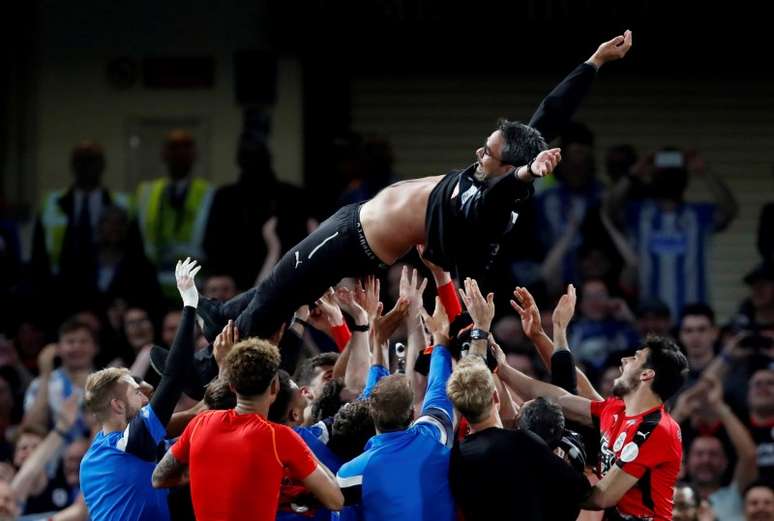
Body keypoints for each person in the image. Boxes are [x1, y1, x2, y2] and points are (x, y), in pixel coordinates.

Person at [193, 31, 633, 353]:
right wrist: (593, 63)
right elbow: (550, 113)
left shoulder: (485, 203)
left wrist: (523, 178)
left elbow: (496, 203)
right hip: (361, 230)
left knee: (279, 292)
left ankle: (213, 359)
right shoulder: (500, 170)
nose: (480, 150)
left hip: (357, 236)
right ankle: (223, 315)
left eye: (490, 153)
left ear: (508, 169)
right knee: (283, 288)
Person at [506, 282, 689, 520]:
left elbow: (602, 497)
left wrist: (545, 480)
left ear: (647, 374)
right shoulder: (616, 409)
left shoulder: (657, 430)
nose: (623, 360)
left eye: (634, 358)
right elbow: (563, 394)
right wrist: (503, 364)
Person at [151, 338, 343, 521]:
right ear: (274, 387)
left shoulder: (200, 423)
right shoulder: (281, 437)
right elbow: (335, 500)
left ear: (232, 386)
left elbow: (159, 478)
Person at [79, 258, 199, 521]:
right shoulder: (127, 444)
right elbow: (173, 377)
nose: (145, 395)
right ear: (117, 406)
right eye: (136, 392)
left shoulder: (107, 452)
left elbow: (197, 420)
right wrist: (189, 304)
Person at [335, 294, 455, 521]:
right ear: (412, 414)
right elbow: (439, 388)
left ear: (371, 414)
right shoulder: (433, 435)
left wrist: (379, 343)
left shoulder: (350, 474)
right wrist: (440, 339)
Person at [448, 356, 591, 520]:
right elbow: (580, 490)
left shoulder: (455, 457)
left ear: (458, 408)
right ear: (495, 397)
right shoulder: (523, 443)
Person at [605, 148, 738, 318]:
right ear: (652, 177)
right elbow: (609, 209)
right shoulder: (639, 214)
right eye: (663, 173)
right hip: (650, 317)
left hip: (692, 318)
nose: (669, 177)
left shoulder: (699, 215)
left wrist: (706, 172)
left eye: (675, 172)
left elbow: (730, 209)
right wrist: (633, 174)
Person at [135, 130, 214, 299]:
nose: (180, 153)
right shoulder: (146, 192)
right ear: (164, 153)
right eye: (174, 147)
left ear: (195, 154)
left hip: (195, 285)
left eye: (186, 147)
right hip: (152, 285)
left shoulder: (209, 194)